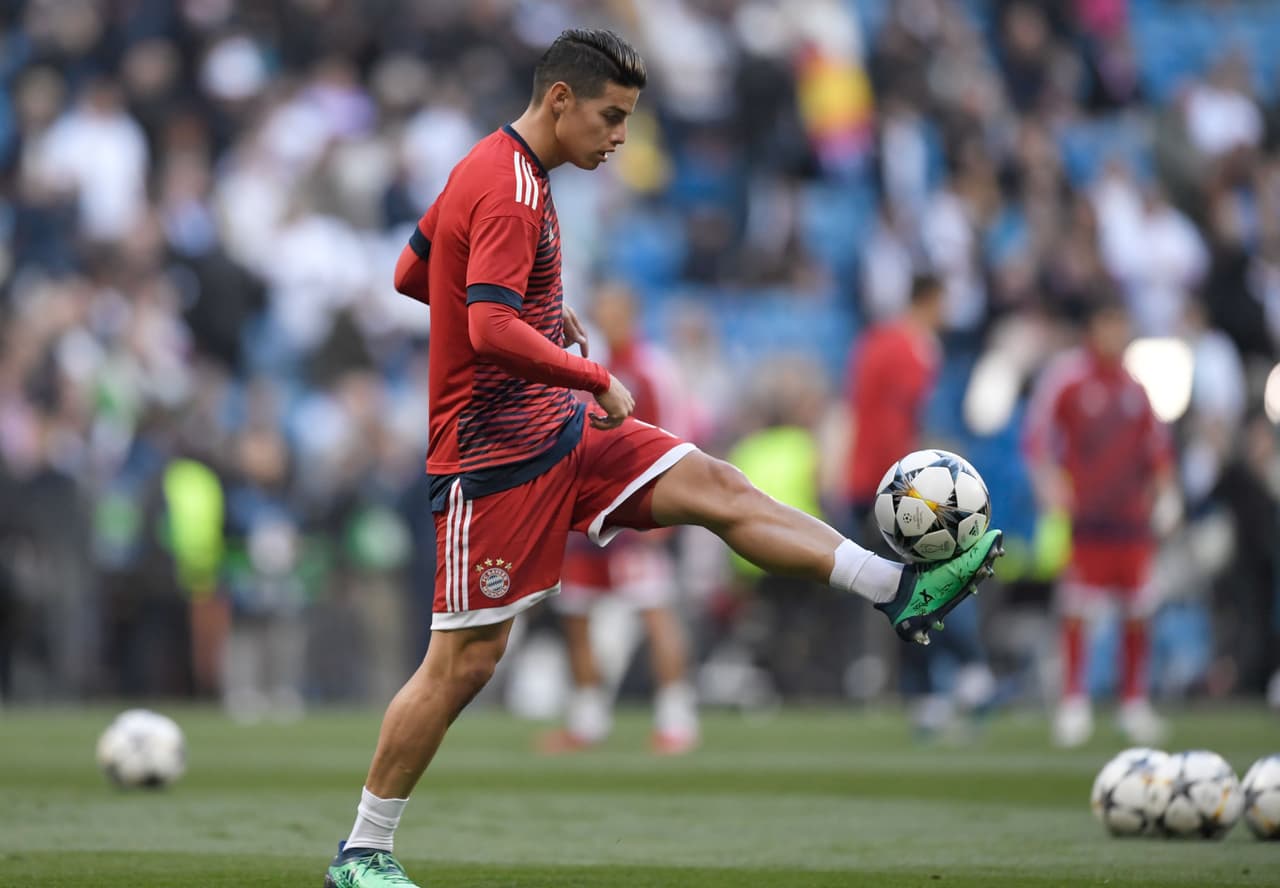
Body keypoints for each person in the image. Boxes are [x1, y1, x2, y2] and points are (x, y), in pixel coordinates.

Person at [325, 29, 1004, 887]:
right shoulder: (507, 188)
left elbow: (411, 271)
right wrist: (588, 369)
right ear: (560, 100)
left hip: (556, 428)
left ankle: (899, 589)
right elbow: (483, 327)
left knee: (717, 486)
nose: (620, 137)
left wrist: (538, 316)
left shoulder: (494, 167)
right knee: (465, 662)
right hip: (491, 455)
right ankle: (362, 851)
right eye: (611, 117)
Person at [540, 282, 700, 755]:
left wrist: (668, 513)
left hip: (637, 511)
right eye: (601, 309)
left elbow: (679, 434)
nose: (606, 316)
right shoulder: (586, 369)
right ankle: (588, 720)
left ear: (631, 312)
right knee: (577, 614)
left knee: (653, 610)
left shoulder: (653, 369)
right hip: (587, 511)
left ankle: (677, 717)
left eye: (614, 308)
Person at [844, 274, 996, 737]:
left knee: (900, 584)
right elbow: (919, 421)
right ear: (932, 301)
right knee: (937, 577)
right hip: (906, 487)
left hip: (864, 479)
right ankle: (969, 674)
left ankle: (929, 694)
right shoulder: (915, 349)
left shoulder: (872, 342)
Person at [1023, 295, 1175, 748]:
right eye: (1108, 324)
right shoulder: (1068, 379)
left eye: (1121, 324)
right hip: (1088, 518)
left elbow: (1158, 451)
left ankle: (1133, 702)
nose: (1116, 334)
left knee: (1138, 608)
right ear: (1093, 328)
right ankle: (1073, 702)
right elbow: (1038, 439)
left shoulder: (1135, 387)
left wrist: (1166, 496)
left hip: (1131, 520)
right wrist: (1050, 484)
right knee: (1079, 607)